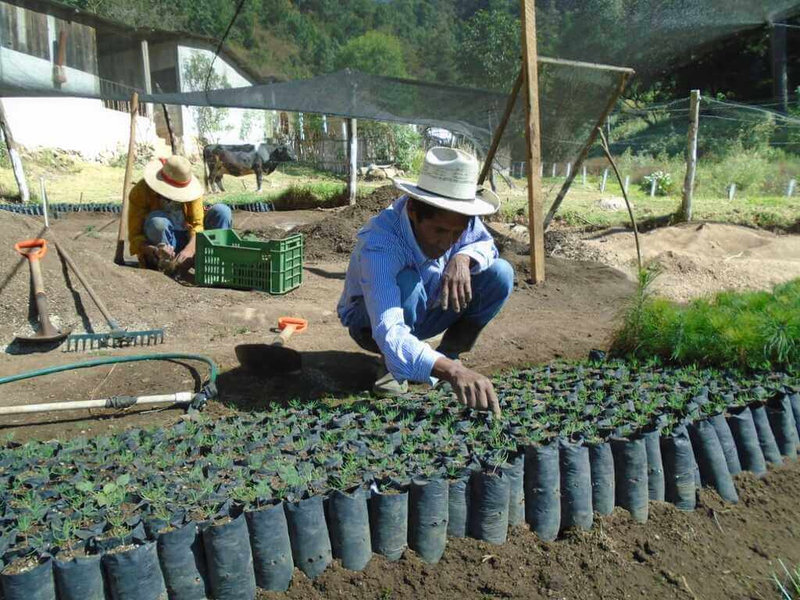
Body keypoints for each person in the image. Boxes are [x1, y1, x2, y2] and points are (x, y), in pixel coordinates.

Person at [338, 147, 514, 416]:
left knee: (500, 274)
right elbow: (389, 328)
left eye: (457, 232)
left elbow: (486, 245)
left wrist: (464, 257)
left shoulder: (462, 223)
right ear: (412, 210)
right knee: (405, 281)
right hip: (370, 323)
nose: (447, 242)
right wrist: (454, 373)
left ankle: (449, 353)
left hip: (428, 305)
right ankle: (392, 365)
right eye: (439, 231)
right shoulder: (381, 244)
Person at [128, 155, 232, 271]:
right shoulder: (141, 192)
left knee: (222, 211)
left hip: (190, 239)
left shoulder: (193, 192)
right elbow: (135, 237)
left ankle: (213, 261)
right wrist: (155, 249)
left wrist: (190, 249)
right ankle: (167, 264)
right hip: (162, 245)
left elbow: (197, 224)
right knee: (158, 222)